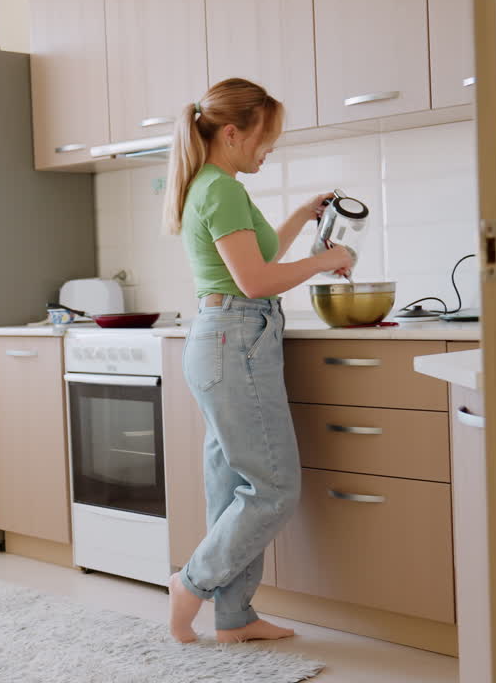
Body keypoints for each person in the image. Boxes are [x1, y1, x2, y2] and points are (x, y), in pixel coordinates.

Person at [162, 78, 355, 644]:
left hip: (225, 340)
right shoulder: (219, 189)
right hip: (237, 340)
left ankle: (235, 617)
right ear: (232, 132)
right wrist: (329, 260)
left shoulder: (216, 185)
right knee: (273, 488)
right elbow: (256, 280)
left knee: (231, 489)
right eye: (265, 137)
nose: (270, 148)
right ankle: (191, 583)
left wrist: (300, 215)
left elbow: (261, 254)